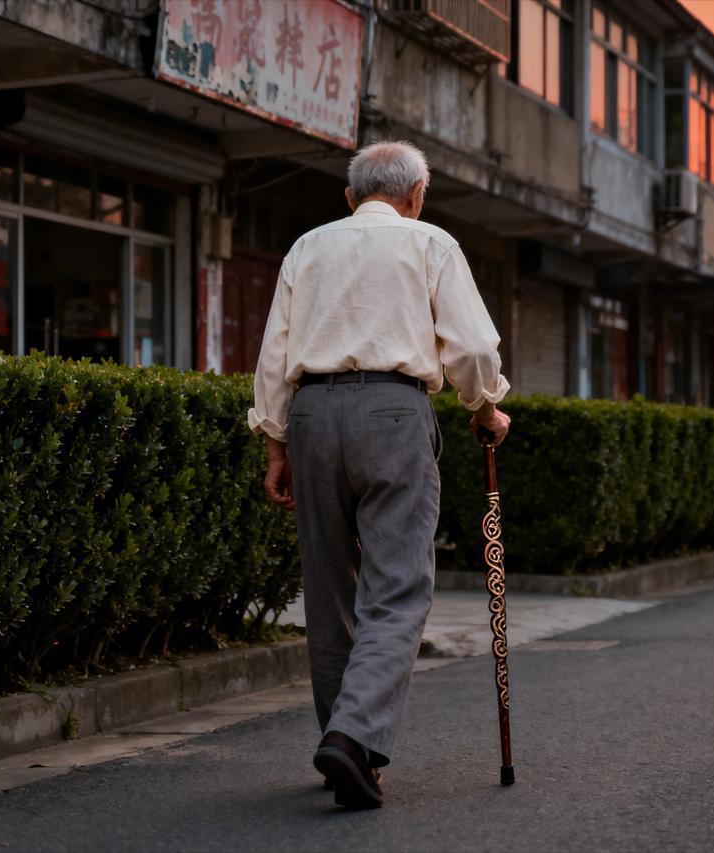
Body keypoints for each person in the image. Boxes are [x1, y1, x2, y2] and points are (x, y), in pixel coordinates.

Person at [247, 140, 511, 809]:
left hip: (311, 415)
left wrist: (275, 444)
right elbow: (473, 347)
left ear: (350, 196)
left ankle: (348, 747)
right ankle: (352, 736)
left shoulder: (308, 247)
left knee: (328, 586)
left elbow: (274, 355)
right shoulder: (431, 243)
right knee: (397, 587)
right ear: (416, 195)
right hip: (394, 412)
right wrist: (484, 408)